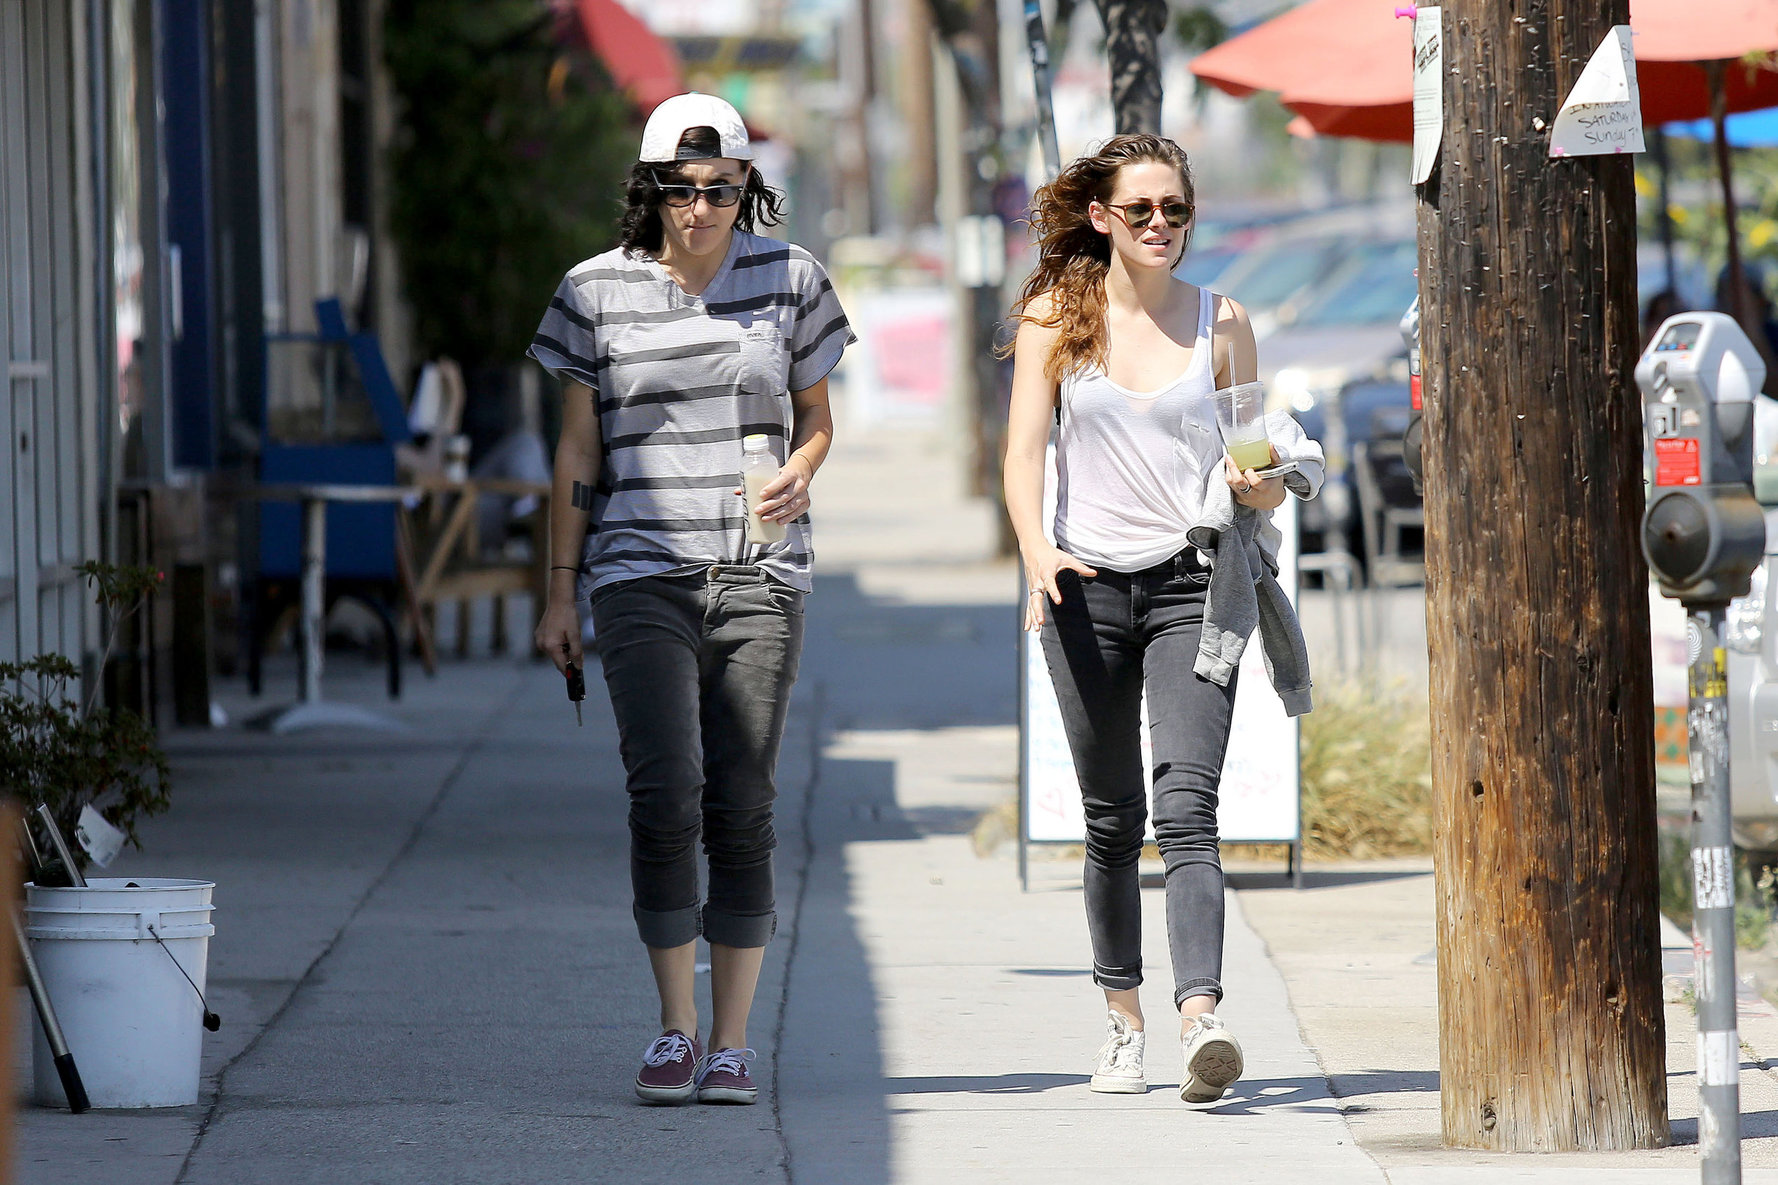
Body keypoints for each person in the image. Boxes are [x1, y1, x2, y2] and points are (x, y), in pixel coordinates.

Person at [529, 93, 853, 1107]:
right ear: (652, 189)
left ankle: (731, 1041)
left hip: (760, 570)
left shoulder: (791, 279)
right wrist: (557, 592)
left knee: (742, 802)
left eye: (721, 189)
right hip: (635, 569)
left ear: (746, 189)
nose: (702, 207)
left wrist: (803, 469)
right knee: (663, 795)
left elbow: (815, 417)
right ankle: (672, 1028)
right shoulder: (592, 293)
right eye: (683, 188)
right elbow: (578, 450)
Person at [1002, 134, 1323, 1104]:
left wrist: (1261, 483)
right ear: (1099, 216)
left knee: (1186, 807)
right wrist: (1035, 555)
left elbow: (1253, 460)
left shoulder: (1222, 322)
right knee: (1110, 818)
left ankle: (1200, 1019)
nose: (1158, 228)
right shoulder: (1055, 316)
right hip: (1081, 587)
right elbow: (1021, 455)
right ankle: (1121, 1022)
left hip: (1191, 584)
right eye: (1138, 210)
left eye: (1174, 211)